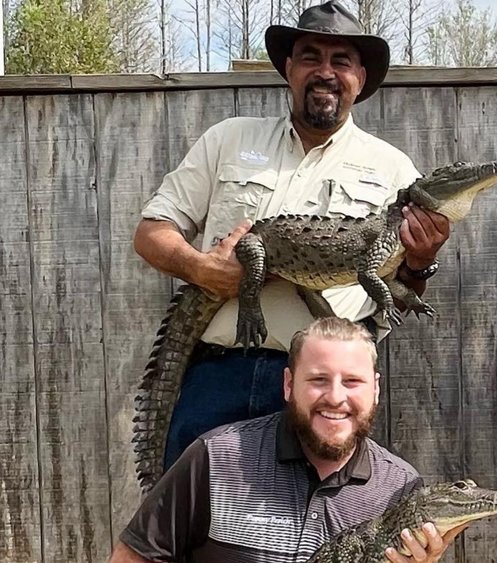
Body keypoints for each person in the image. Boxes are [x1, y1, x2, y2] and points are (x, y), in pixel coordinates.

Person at [134, 0, 452, 470]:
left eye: (341, 60)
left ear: (360, 78)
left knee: (310, 531)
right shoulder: (229, 139)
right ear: (288, 68)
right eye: (310, 56)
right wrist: (203, 268)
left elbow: (403, 284)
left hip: (323, 389)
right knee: (188, 525)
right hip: (219, 370)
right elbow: (150, 233)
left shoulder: (395, 171)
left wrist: (422, 263)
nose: (325, 71)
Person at [109, 317, 465, 563]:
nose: (336, 398)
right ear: (288, 385)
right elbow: (134, 555)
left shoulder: (400, 488)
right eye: (318, 380)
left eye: (352, 382)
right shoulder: (216, 456)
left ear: (375, 390)